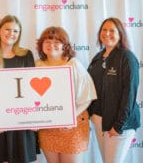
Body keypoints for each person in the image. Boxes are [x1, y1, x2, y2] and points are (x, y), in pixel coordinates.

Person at [0, 15, 40, 163]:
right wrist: (2, 118)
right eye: (8, 29)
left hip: (22, 116)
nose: (11, 33)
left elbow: (31, 91)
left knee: (21, 158)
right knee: (2, 158)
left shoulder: (26, 55)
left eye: (16, 31)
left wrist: (33, 118)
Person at [35, 26, 97, 163]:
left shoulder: (73, 64)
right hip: (48, 128)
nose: (52, 45)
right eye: (47, 41)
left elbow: (87, 97)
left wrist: (70, 117)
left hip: (72, 126)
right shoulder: (37, 66)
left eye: (57, 41)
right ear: (41, 45)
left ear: (65, 46)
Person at [88, 17, 141, 163]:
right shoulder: (98, 58)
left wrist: (118, 126)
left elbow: (129, 95)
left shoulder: (127, 58)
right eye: (104, 30)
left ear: (120, 34)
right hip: (99, 121)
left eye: (112, 30)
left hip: (118, 124)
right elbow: (89, 88)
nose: (107, 33)